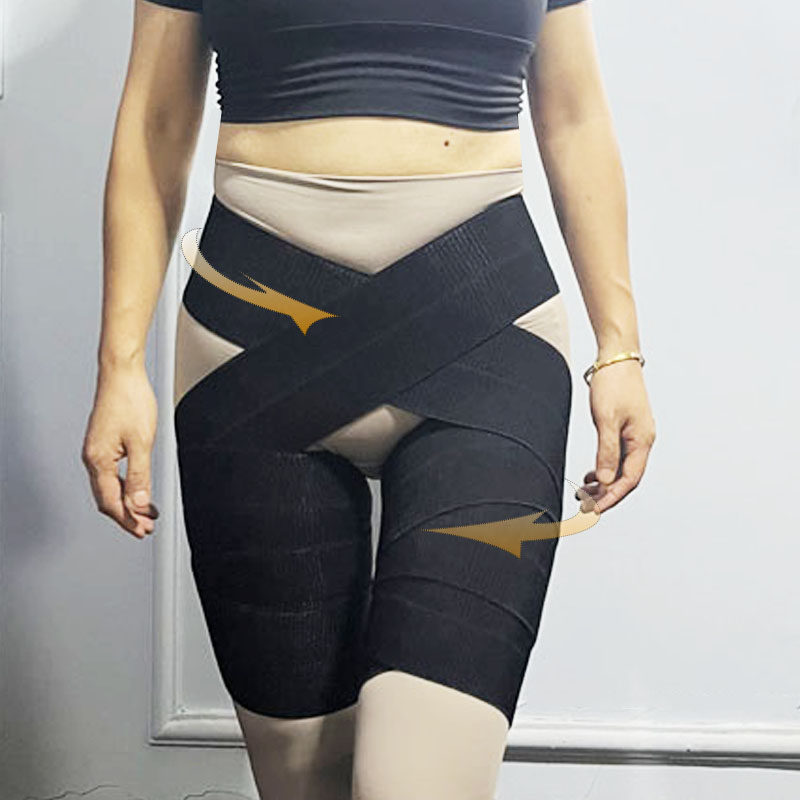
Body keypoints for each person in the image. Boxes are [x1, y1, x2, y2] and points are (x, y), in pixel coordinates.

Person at [82, 0, 656, 797]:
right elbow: (155, 124)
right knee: (303, 784)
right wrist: (119, 366)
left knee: (414, 782)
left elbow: (576, 117)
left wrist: (619, 347)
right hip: (252, 353)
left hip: (485, 329)